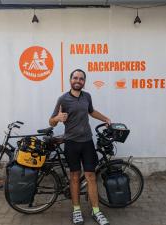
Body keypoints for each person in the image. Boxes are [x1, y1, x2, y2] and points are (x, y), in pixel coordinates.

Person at [49, 69, 111, 225]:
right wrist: (58, 117)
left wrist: (106, 118)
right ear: (70, 80)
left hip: (87, 142)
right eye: (75, 78)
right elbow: (51, 121)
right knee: (75, 177)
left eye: (81, 79)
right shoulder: (63, 99)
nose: (78, 80)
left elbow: (91, 111)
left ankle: (96, 211)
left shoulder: (87, 96)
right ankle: (77, 210)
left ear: (84, 81)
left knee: (91, 176)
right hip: (71, 143)